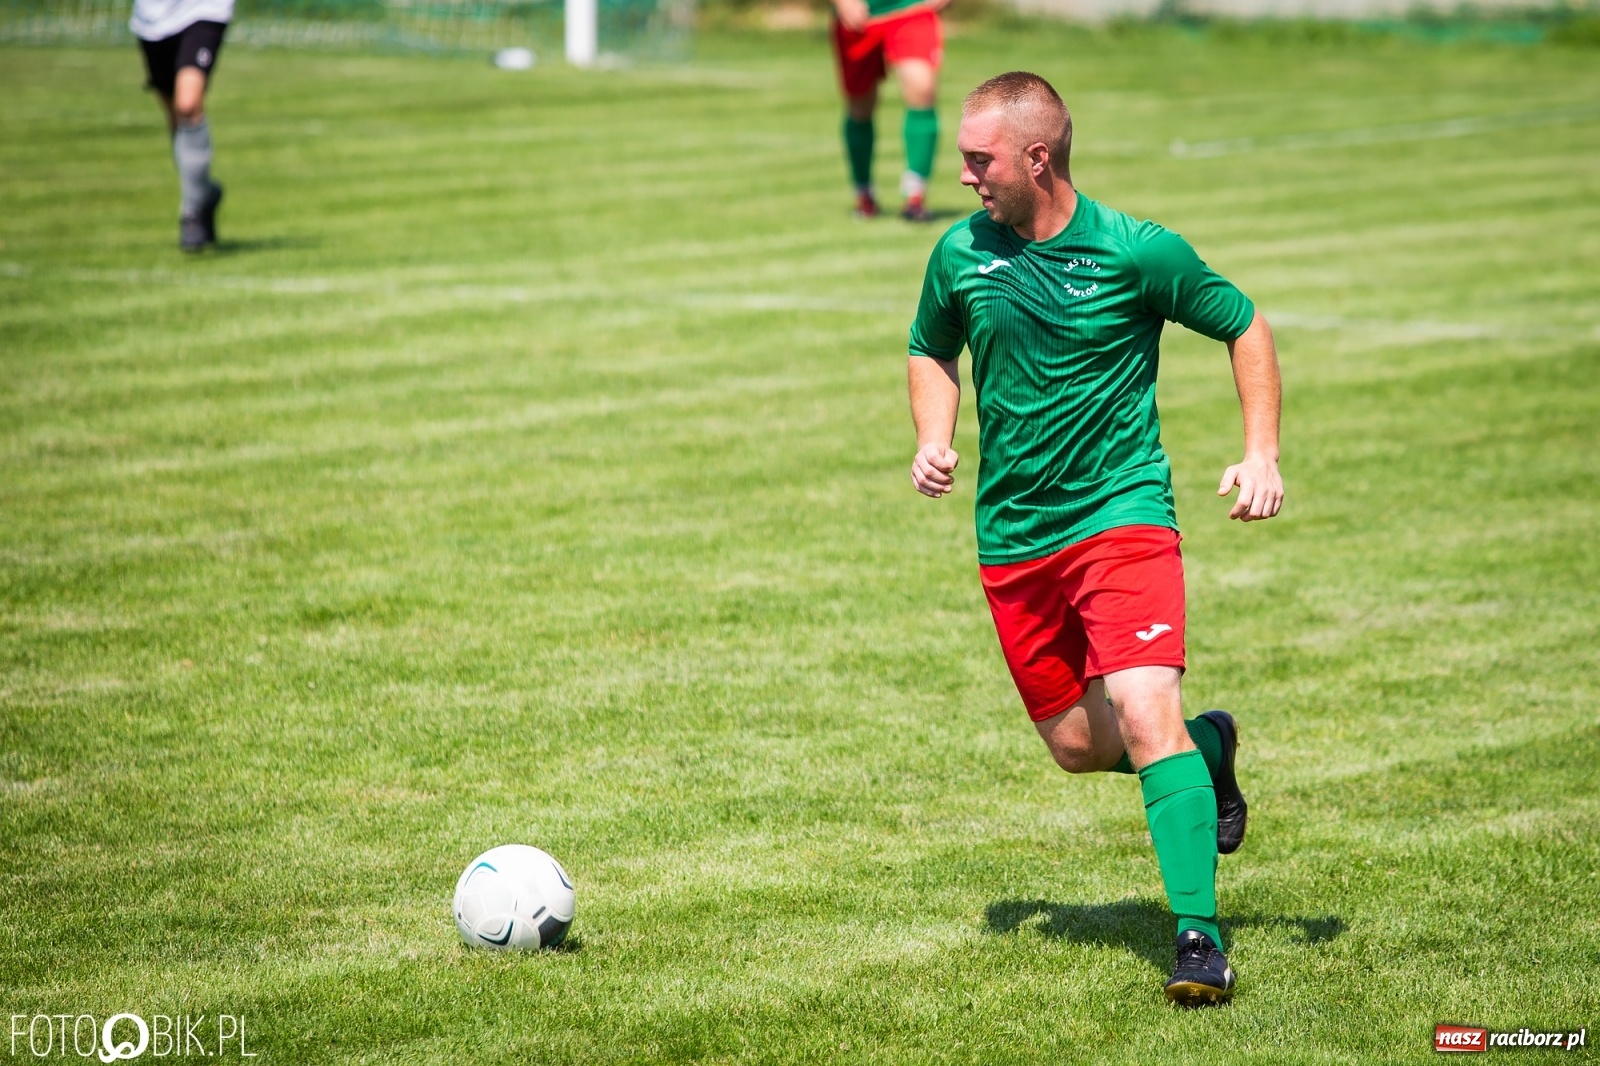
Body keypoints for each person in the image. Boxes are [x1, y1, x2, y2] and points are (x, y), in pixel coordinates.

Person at [905, 71, 1284, 1006]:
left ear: (1038, 157)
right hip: (1014, 536)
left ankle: (1198, 940)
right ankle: (1209, 751)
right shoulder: (960, 253)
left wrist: (1261, 452)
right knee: (1077, 745)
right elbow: (930, 346)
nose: (964, 176)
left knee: (1145, 710)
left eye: (980, 159)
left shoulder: (1133, 251)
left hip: (1122, 514)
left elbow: (1243, 324)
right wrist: (933, 435)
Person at [829, 0, 948, 220]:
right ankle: (863, 194)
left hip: (912, 9)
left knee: (922, 90)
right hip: (863, 15)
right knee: (860, 107)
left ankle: (915, 195)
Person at [131, 0, 233, 250]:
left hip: (204, 9)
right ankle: (203, 192)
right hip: (152, 19)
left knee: (187, 104)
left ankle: (191, 212)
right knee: (176, 116)